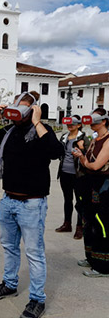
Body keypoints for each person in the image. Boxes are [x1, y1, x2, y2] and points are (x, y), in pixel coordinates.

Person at [0, 91, 64, 318]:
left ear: (34, 109)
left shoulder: (41, 130)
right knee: (9, 246)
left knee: (34, 253)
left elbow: (57, 152)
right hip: (8, 200)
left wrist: (37, 121)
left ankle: (37, 299)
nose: (17, 110)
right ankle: (9, 283)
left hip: (31, 204)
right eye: (15, 106)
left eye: (22, 107)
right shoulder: (10, 130)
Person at [73, 108, 109, 277]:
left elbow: (95, 165)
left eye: (95, 120)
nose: (91, 123)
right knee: (89, 220)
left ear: (104, 121)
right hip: (90, 183)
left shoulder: (108, 140)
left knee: (102, 223)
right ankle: (92, 257)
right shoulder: (95, 139)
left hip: (103, 185)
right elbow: (88, 161)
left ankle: (103, 265)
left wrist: (84, 161)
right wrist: (82, 157)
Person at [55, 115, 90, 239]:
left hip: (79, 174)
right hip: (65, 172)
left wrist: (81, 148)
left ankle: (79, 227)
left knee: (80, 202)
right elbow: (59, 152)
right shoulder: (64, 137)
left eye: (73, 124)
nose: (70, 126)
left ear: (79, 125)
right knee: (67, 199)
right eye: (68, 124)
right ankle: (67, 224)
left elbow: (89, 155)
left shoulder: (84, 138)